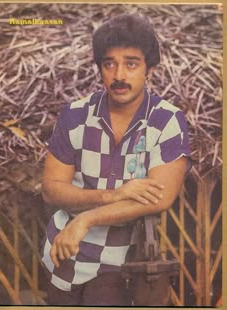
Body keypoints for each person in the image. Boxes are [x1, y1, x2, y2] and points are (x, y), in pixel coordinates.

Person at [41, 13, 190, 306]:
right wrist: (117, 194)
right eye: (109, 64)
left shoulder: (166, 120)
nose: (119, 75)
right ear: (100, 69)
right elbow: (51, 189)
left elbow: (159, 198)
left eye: (131, 63)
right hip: (62, 255)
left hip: (121, 266)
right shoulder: (75, 115)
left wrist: (86, 219)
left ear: (149, 68)